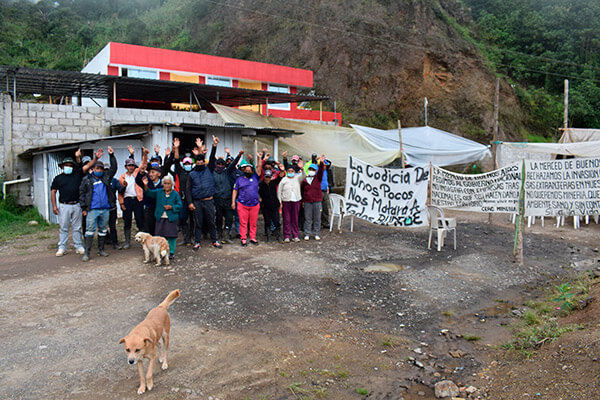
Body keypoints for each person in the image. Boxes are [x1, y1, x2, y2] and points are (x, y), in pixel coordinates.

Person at [79, 147, 117, 261]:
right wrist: (84, 208)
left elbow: (114, 168)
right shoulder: (87, 180)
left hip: (105, 209)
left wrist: (112, 156)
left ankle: (101, 249)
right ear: (93, 169)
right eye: (97, 168)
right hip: (92, 210)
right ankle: (87, 252)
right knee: (89, 231)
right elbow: (81, 194)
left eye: (101, 169)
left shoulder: (105, 177)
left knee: (103, 230)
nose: (99, 170)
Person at [186, 136, 222, 249]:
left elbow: (211, 158)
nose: (200, 163)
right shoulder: (191, 174)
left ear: (204, 163)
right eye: (198, 162)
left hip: (209, 201)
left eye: (202, 162)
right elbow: (188, 189)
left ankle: (214, 240)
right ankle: (197, 242)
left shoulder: (209, 169)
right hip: (197, 202)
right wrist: (190, 203)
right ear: (195, 163)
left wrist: (214, 145)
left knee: (212, 222)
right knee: (198, 223)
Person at [50, 149, 88, 256]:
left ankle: (78, 246)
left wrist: (78, 157)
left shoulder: (77, 175)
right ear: (62, 167)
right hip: (64, 205)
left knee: (77, 227)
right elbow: (53, 192)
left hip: (76, 205)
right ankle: (62, 247)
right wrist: (54, 206)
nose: (68, 167)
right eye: (66, 165)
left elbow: (83, 167)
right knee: (64, 228)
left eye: (70, 165)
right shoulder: (58, 178)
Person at [141, 175, 182, 260]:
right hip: (160, 217)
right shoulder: (159, 192)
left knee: (171, 236)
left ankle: (171, 252)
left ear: (172, 184)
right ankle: (160, 252)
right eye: (165, 183)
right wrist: (145, 185)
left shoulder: (175, 194)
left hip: (171, 217)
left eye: (168, 184)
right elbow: (148, 193)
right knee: (160, 236)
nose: (166, 185)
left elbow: (180, 205)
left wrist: (171, 207)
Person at [214, 145, 243, 244]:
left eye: (222, 164)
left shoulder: (227, 172)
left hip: (227, 199)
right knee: (218, 219)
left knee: (229, 218)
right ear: (216, 164)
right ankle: (219, 235)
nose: (221, 166)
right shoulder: (213, 173)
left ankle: (226, 236)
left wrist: (238, 155)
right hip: (217, 200)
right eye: (219, 164)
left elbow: (233, 163)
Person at [118, 148, 145, 249]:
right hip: (127, 200)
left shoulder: (137, 174)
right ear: (126, 167)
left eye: (132, 165)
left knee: (140, 220)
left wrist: (144, 154)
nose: (131, 167)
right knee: (127, 221)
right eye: (129, 165)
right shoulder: (122, 177)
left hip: (137, 200)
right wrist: (121, 203)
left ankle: (143, 240)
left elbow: (144, 164)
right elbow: (120, 192)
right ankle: (127, 242)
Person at [231, 157, 262, 246]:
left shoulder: (255, 177)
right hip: (242, 204)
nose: (247, 171)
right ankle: (243, 238)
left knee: (253, 223)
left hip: (254, 205)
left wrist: (259, 158)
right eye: (246, 170)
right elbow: (235, 190)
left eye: (249, 170)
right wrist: (233, 202)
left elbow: (259, 168)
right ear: (243, 171)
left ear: (252, 171)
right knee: (243, 222)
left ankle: (252, 237)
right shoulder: (239, 179)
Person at [171, 138, 194, 246]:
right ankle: (186, 238)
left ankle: (193, 237)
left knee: (193, 219)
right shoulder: (180, 172)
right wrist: (176, 148)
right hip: (183, 199)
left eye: (189, 163)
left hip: (194, 199)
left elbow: (200, 161)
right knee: (183, 219)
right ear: (183, 164)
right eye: (186, 163)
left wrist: (199, 150)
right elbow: (176, 160)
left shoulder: (194, 172)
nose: (188, 164)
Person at [277, 159, 305, 242]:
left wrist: (302, 168)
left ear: (294, 171)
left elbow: (304, 175)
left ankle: (295, 235)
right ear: (287, 171)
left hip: (296, 201)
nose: (290, 172)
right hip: (286, 201)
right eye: (289, 171)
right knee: (286, 219)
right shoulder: (284, 180)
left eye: (292, 171)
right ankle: (287, 236)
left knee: (295, 219)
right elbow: (279, 191)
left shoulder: (297, 178)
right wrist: (280, 201)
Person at [136, 147, 162, 236]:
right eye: (150, 172)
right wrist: (141, 172)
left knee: (159, 228)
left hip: (159, 208)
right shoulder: (146, 181)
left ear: (159, 174)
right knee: (149, 228)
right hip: (149, 208)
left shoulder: (163, 183)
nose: (150, 174)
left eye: (153, 172)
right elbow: (138, 180)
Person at [301, 155, 326, 240]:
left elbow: (321, 172)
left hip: (317, 201)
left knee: (317, 218)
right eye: (310, 169)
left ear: (315, 171)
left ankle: (316, 233)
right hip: (308, 201)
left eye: (313, 170)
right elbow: (302, 191)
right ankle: (307, 233)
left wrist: (321, 163)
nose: (311, 171)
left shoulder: (318, 178)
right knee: (307, 218)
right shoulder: (305, 180)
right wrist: (303, 201)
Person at [258, 165, 284, 242]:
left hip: (275, 205)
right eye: (266, 177)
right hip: (265, 207)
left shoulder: (273, 183)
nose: (267, 179)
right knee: (267, 221)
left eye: (269, 177)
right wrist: (259, 197)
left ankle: (278, 236)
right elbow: (256, 191)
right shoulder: (261, 184)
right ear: (264, 177)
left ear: (271, 177)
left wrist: (282, 170)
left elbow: (280, 177)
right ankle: (268, 237)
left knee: (277, 221)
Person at [321, 159, 333, 229]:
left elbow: (330, 163)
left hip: (325, 191)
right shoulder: (318, 171)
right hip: (319, 191)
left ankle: (325, 222)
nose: (325, 166)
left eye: (326, 165)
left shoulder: (326, 171)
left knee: (325, 208)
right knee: (319, 208)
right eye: (324, 165)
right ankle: (318, 222)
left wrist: (328, 187)